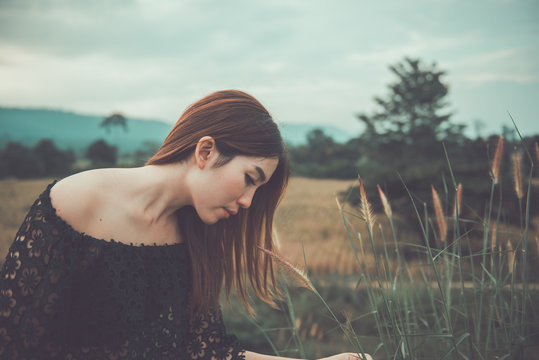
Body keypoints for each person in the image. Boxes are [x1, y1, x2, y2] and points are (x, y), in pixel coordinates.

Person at [0, 90, 372, 360]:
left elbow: (206, 351)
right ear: (206, 151)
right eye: (249, 178)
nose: (247, 202)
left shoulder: (197, 236)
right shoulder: (76, 201)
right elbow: (12, 340)